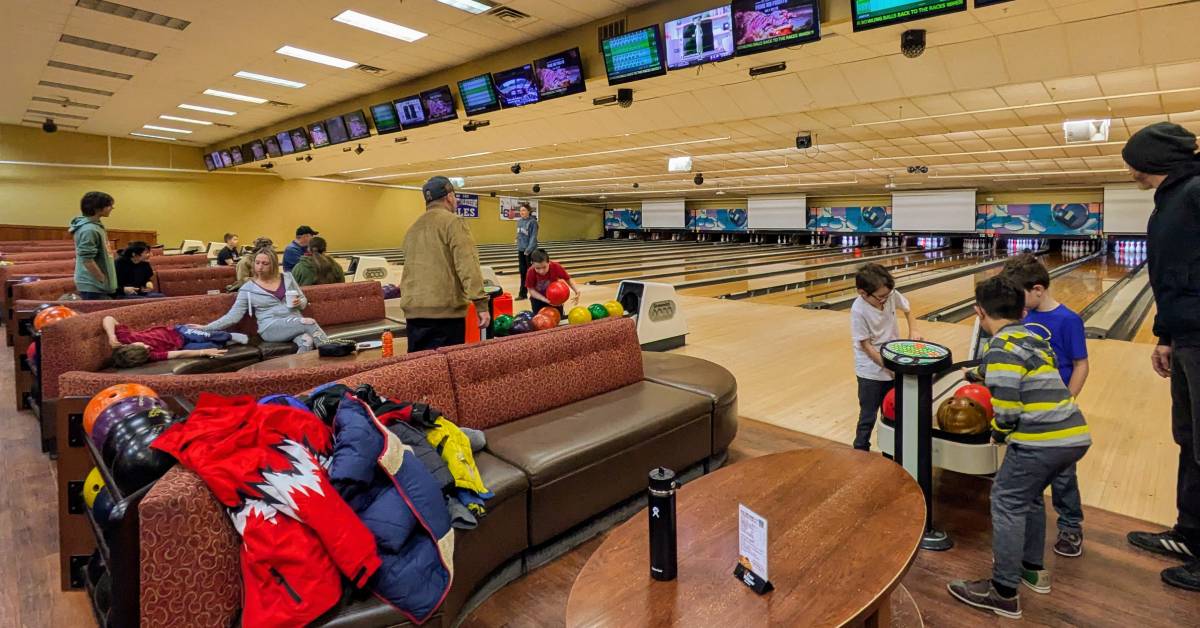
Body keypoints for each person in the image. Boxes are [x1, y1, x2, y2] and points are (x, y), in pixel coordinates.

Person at [948, 276, 1091, 619]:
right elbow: (1030, 373)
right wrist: (986, 375)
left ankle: (1003, 591)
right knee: (1028, 499)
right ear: (1022, 309)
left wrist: (996, 431)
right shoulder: (1031, 337)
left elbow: (1008, 410)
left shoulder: (998, 346)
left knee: (1006, 500)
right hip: (1073, 434)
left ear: (978, 311)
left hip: (1041, 441)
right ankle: (1033, 570)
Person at [1122, 121, 1200, 591]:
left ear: (1155, 160)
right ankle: (1190, 534)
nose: (1130, 171)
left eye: (1134, 162)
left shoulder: (1195, 193)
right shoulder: (1172, 199)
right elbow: (1175, 277)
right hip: (1187, 337)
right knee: (1190, 440)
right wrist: (1165, 335)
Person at [1002, 253, 1090, 558]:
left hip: (1054, 413)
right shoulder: (1021, 316)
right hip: (1025, 410)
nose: (1017, 302)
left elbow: (1081, 365)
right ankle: (1027, 525)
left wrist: (1066, 401)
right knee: (1028, 472)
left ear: (1038, 289)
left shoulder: (1068, 320)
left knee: (1063, 475)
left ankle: (1070, 526)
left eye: (1020, 295)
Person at [399, 176, 489, 352]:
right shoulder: (453, 222)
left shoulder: (412, 228)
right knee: (443, 373)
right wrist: (480, 304)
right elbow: (467, 264)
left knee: (419, 369)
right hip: (444, 315)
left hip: (413, 314)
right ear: (449, 197)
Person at [199, 247, 328, 352]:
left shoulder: (287, 278)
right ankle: (332, 353)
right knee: (309, 322)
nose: (260, 267)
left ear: (273, 265)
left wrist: (299, 302)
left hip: (293, 323)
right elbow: (233, 316)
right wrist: (205, 328)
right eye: (257, 263)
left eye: (265, 264)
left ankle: (300, 376)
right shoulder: (247, 288)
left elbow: (303, 301)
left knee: (307, 341)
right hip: (270, 327)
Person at [850, 263, 921, 451]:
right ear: (863, 293)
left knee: (892, 412)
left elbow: (907, 309)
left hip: (893, 360)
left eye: (887, 296)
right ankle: (860, 451)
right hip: (870, 372)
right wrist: (889, 367)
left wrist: (913, 329)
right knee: (868, 416)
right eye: (880, 297)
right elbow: (866, 346)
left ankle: (891, 451)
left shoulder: (889, 295)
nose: (885, 300)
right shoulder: (858, 311)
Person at [103, 314, 248, 368]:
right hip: (180, 346)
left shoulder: (124, 338)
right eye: (147, 350)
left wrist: (111, 336)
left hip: (177, 331)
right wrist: (204, 351)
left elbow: (108, 318)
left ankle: (230, 336)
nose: (148, 347)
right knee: (210, 347)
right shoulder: (148, 356)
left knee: (204, 336)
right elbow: (177, 355)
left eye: (144, 346)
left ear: (132, 345)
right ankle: (224, 342)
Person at [70, 191, 117, 300]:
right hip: (93, 286)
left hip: (98, 285)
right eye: (109, 205)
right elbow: (87, 259)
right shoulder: (89, 229)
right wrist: (102, 279)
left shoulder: (95, 226)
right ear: (97, 208)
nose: (112, 208)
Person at [524, 248, 580, 316]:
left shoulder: (555, 266)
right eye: (538, 268)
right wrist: (545, 299)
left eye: (544, 267)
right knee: (540, 322)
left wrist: (576, 290)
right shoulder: (530, 271)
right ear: (532, 264)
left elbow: (567, 279)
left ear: (548, 262)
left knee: (558, 318)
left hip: (555, 298)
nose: (541, 271)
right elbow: (531, 290)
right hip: (538, 299)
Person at [515, 202, 539, 300]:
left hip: (530, 251)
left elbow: (533, 237)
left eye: (524, 210)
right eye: (520, 210)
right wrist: (517, 239)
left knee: (532, 273)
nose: (522, 212)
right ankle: (522, 294)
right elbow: (520, 234)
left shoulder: (533, 222)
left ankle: (535, 294)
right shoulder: (519, 221)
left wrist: (528, 250)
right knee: (523, 272)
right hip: (521, 250)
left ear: (529, 211)